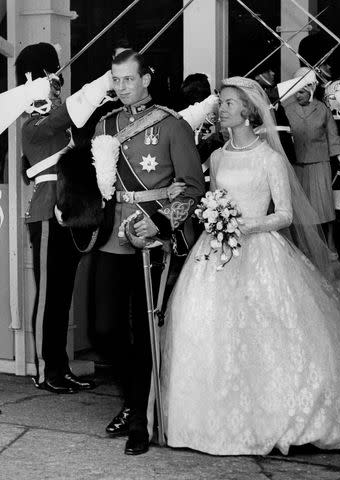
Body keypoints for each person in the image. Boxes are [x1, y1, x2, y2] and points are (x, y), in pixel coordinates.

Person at [161, 76, 340, 456]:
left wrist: (248, 224)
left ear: (249, 111)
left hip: (261, 251)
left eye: (230, 103)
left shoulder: (269, 158)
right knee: (205, 327)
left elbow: (284, 215)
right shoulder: (216, 157)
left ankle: (285, 418)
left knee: (272, 333)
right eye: (222, 102)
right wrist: (213, 217)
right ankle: (211, 419)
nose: (222, 108)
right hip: (216, 253)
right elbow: (211, 195)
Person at [91, 49, 205, 456]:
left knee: (144, 333)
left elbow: (192, 185)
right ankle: (131, 399)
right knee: (103, 329)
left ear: (146, 79)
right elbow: (95, 182)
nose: (122, 87)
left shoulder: (172, 125)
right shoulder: (105, 124)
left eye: (128, 79)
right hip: (110, 237)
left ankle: (140, 415)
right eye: (116, 80)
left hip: (150, 239)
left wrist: (159, 222)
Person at [15, 42, 114, 394]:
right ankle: (45, 370)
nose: (54, 81)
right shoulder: (31, 123)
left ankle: (61, 367)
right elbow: (67, 114)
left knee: (62, 295)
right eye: (48, 74)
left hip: (68, 210)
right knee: (48, 297)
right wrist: (99, 85)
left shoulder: (55, 119)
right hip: (45, 213)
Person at [284, 67, 340, 256]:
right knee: (299, 211)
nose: (298, 95)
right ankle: (300, 249)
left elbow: (332, 137)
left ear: (311, 88)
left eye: (302, 91)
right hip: (296, 165)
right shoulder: (286, 110)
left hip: (320, 164)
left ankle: (326, 248)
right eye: (296, 91)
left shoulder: (323, 110)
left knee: (322, 210)